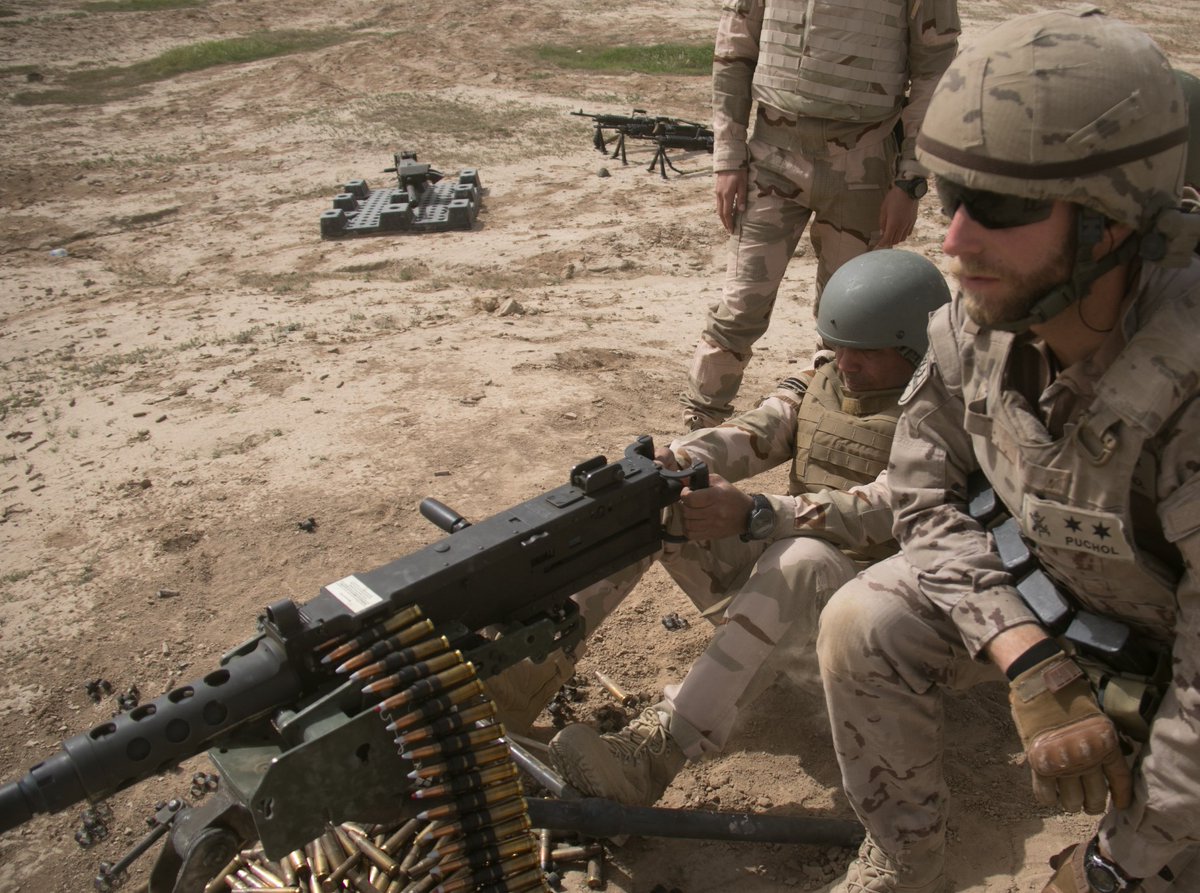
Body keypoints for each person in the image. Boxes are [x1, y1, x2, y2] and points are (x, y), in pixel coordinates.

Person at [814, 9, 1200, 893]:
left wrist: (1111, 866)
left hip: (1179, 664)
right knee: (865, 619)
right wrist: (1023, 649)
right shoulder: (978, 321)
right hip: (1058, 603)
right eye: (951, 196)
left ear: (1111, 223)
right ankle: (907, 855)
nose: (954, 241)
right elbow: (921, 494)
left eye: (1003, 206)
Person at [536, 249, 950, 807]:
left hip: (877, 631)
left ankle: (654, 756)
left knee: (802, 557)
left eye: (866, 353)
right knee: (657, 502)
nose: (846, 364)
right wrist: (678, 462)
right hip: (791, 599)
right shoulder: (828, 375)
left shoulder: (947, 413)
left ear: (914, 350)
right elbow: (758, 430)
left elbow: (883, 508)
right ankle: (526, 676)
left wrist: (759, 511)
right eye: (838, 346)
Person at [680, 0, 960, 431]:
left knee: (849, 322)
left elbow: (933, 71)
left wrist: (910, 181)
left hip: (864, 166)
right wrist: (728, 157)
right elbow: (735, 51)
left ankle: (828, 434)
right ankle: (698, 428)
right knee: (739, 307)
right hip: (772, 157)